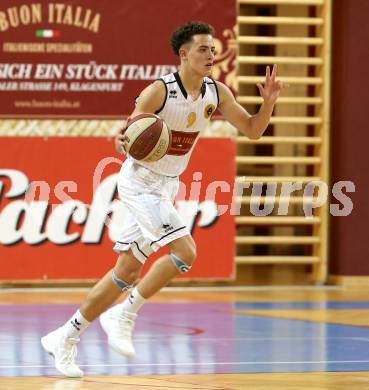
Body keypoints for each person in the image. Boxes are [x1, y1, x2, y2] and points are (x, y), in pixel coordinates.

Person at [41, 21, 285, 377]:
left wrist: (268, 104)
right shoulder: (159, 91)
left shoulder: (217, 93)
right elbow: (128, 132)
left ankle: (65, 337)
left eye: (213, 49)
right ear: (183, 54)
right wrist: (123, 141)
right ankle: (124, 313)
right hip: (139, 182)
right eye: (203, 49)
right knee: (186, 252)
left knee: (125, 271)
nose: (211, 55)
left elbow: (253, 131)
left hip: (168, 185)